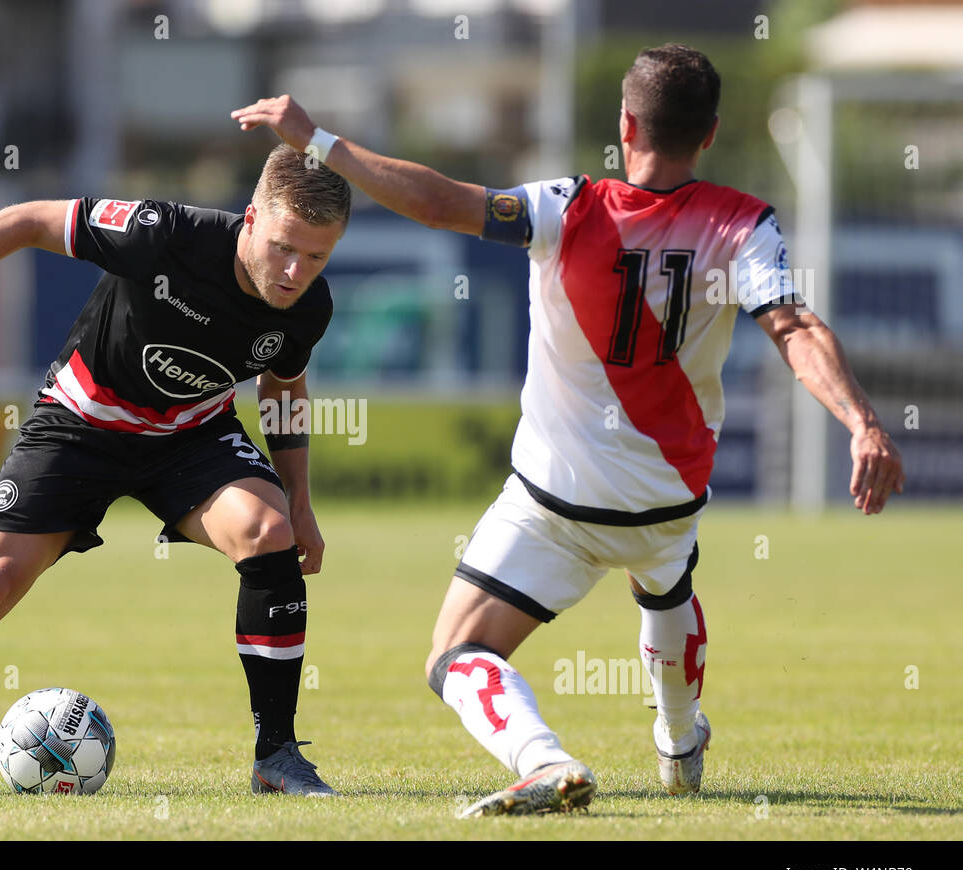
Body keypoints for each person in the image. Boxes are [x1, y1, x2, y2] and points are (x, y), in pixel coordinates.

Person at [232, 44, 905, 816]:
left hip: (557, 502)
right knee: (664, 576)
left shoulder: (563, 205)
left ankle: (544, 758)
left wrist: (320, 142)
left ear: (625, 123)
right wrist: (863, 422)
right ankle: (681, 741)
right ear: (710, 133)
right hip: (669, 498)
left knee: (456, 653)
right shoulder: (743, 224)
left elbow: (441, 200)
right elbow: (794, 325)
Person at [0, 144, 351, 799]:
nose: (295, 270)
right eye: (284, 246)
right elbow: (28, 219)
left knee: (268, 532)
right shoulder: (163, 234)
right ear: (251, 218)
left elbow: (283, 384)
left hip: (191, 438)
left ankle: (277, 755)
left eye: (316, 255)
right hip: (82, 423)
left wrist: (299, 499)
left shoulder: (308, 306)